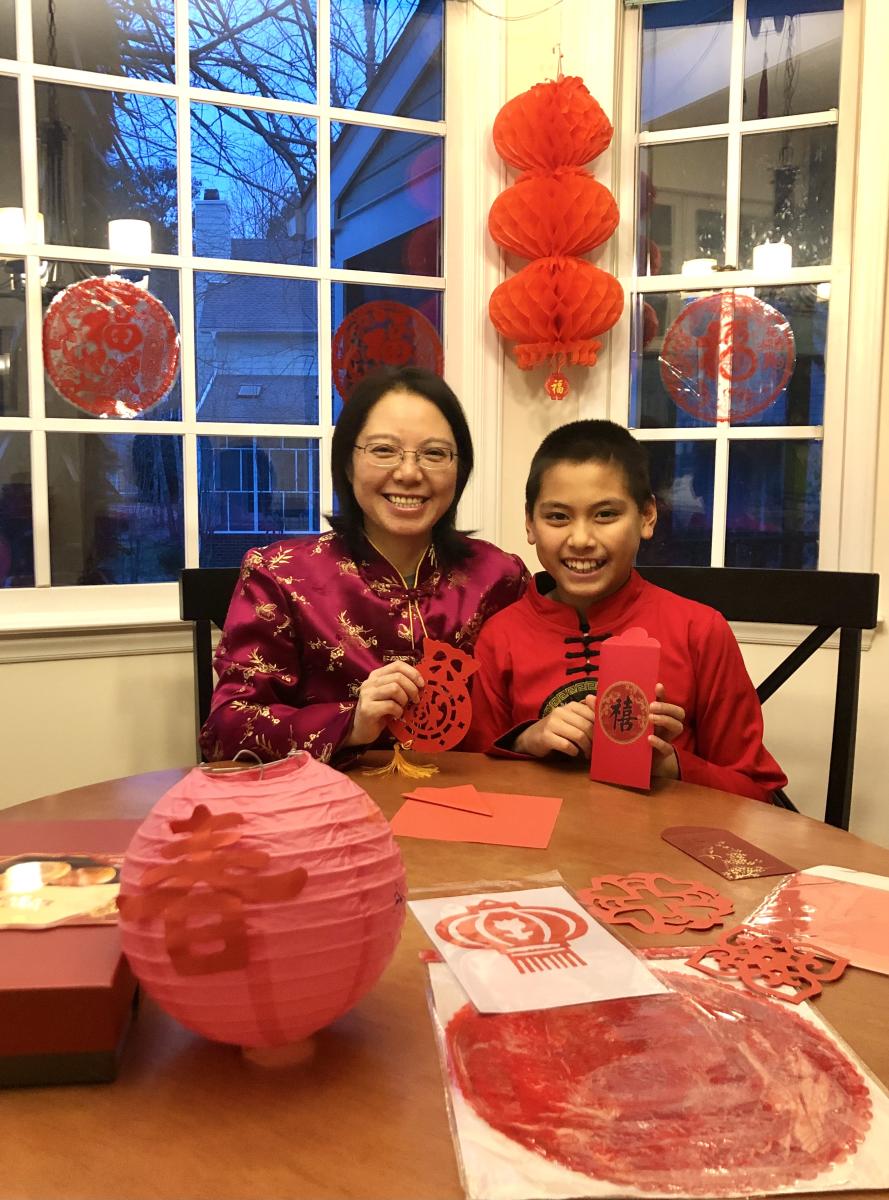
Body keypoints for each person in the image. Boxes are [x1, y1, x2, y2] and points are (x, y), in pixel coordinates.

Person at [200, 367, 528, 764]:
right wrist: (351, 722)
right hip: (329, 810)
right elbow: (226, 730)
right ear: (348, 462)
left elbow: (530, 710)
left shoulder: (501, 577)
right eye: (384, 450)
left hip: (475, 807)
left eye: (435, 453)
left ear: (460, 470)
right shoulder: (282, 575)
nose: (409, 473)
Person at [463, 420, 787, 803]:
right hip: (540, 851)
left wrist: (672, 767)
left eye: (605, 515)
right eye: (557, 517)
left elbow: (758, 792)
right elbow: (474, 781)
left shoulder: (699, 630)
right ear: (530, 522)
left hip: (667, 851)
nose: (581, 539)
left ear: (647, 516)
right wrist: (525, 740)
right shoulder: (501, 637)